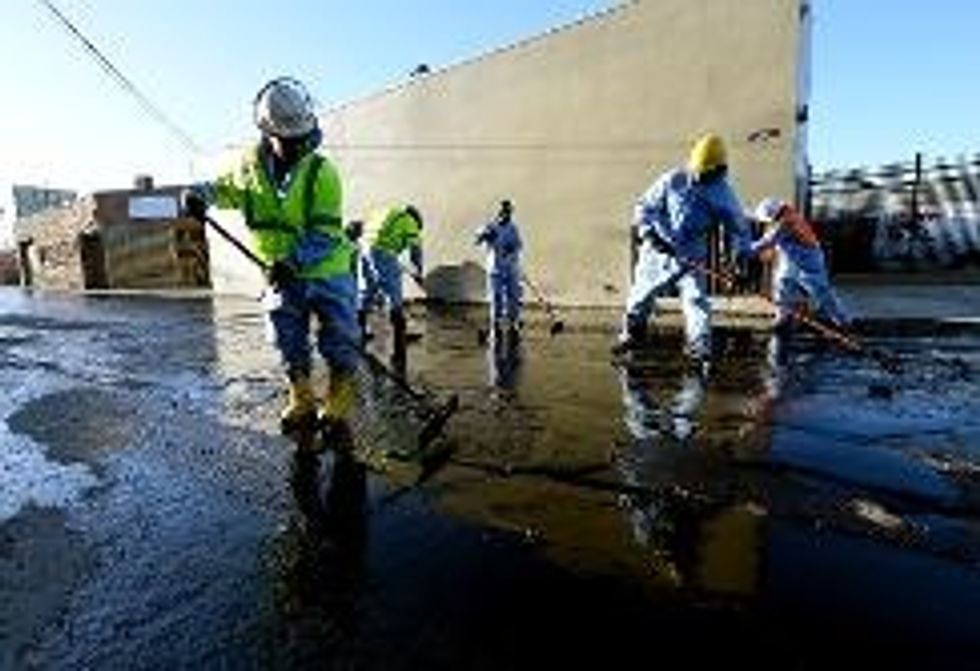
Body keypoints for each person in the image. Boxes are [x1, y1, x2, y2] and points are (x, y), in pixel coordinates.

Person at [182, 77, 359, 433]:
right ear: (267, 132)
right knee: (285, 338)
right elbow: (221, 190)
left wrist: (293, 262)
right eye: (289, 140)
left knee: (340, 335)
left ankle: (339, 396)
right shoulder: (248, 170)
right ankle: (302, 397)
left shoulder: (322, 173)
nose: (298, 146)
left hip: (326, 271)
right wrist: (196, 194)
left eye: (302, 138)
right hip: (278, 275)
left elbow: (325, 234)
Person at [614, 133, 753, 367]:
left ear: (718, 170)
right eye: (697, 170)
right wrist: (649, 234)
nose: (699, 176)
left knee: (696, 301)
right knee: (640, 297)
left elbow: (738, 230)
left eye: (705, 172)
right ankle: (631, 337)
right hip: (657, 251)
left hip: (691, 255)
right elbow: (645, 206)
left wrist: (739, 262)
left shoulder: (723, 194)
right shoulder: (673, 180)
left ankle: (699, 348)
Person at [751, 197, 851, 336]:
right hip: (793, 258)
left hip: (808, 259)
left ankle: (842, 323)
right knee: (783, 284)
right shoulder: (786, 217)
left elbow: (768, 241)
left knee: (820, 291)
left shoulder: (786, 222)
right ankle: (783, 319)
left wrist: (746, 248)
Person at [358, 204, 424, 352]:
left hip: (365, 250)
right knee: (395, 295)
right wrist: (419, 272)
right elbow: (416, 249)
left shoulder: (387, 213)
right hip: (383, 252)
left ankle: (358, 332)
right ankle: (399, 336)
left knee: (368, 291)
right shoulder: (409, 221)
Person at [475, 199, 523, 332]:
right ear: (499, 212)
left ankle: (514, 320)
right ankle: (495, 322)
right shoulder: (490, 226)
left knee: (513, 295)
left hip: (511, 267)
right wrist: (485, 236)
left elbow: (519, 245)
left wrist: (512, 249)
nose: (506, 215)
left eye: (508, 212)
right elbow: (477, 239)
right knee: (496, 296)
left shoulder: (513, 228)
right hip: (495, 269)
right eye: (504, 212)